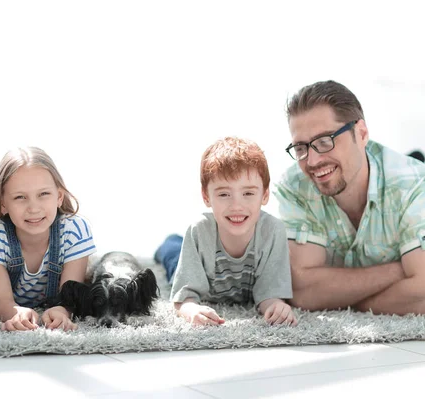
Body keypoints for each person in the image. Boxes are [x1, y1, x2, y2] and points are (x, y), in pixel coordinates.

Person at [275, 80, 425, 315]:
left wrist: (346, 301)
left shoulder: (414, 183)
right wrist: (399, 270)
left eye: (325, 141)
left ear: (362, 133)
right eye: (301, 148)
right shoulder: (294, 186)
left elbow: (421, 290)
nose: (312, 161)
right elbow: (302, 290)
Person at [170, 137, 297, 326]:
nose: (236, 205)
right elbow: (183, 298)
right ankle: (169, 243)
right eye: (223, 194)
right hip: (191, 255)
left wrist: (277, 306)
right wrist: (192, 310)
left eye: (248, 193)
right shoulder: (198, 231)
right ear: (206, 196)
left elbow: (269, 294)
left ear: (264, 195)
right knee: (171, 258)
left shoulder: (273, 231)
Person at [0, 147, 96, 331]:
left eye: (43, 194)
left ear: (59, 196)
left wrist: (62, 311)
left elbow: (70, 297)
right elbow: (1, 300)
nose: (33, 208)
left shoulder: (75, 230)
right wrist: (15, 313)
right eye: (20, 197)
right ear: (2, 203)